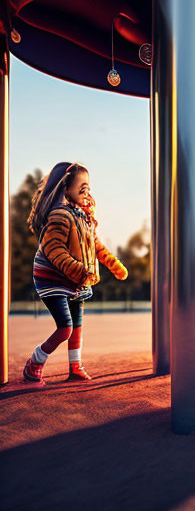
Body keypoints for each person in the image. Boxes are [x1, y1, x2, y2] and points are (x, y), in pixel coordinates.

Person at [22, 162, 128, 384]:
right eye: (83, 189)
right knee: (65, 328)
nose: (87, 193)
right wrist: (76, 269)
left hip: (76, 281)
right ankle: (36, 362)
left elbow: (97, 247)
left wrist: (114, 264)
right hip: (53, 279)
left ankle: (75, 367)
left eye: (89, 188)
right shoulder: (60, 216)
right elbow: (54, 250)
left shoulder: (84, 218)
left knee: (77, 327)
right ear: (65, 189)